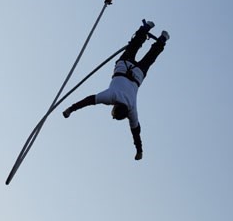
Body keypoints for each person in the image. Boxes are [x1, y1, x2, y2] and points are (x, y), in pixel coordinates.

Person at [62, 20, 170, 161]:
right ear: (114, 107)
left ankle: (162, 39)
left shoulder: (132, 109)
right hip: (123, 66)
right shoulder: (110, 97)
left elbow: (136, 132)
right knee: (134, 46)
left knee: (149, 57)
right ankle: (146, 28)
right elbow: (88, 100)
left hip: (137, 74)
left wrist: (139, 151)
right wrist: (70, 109)